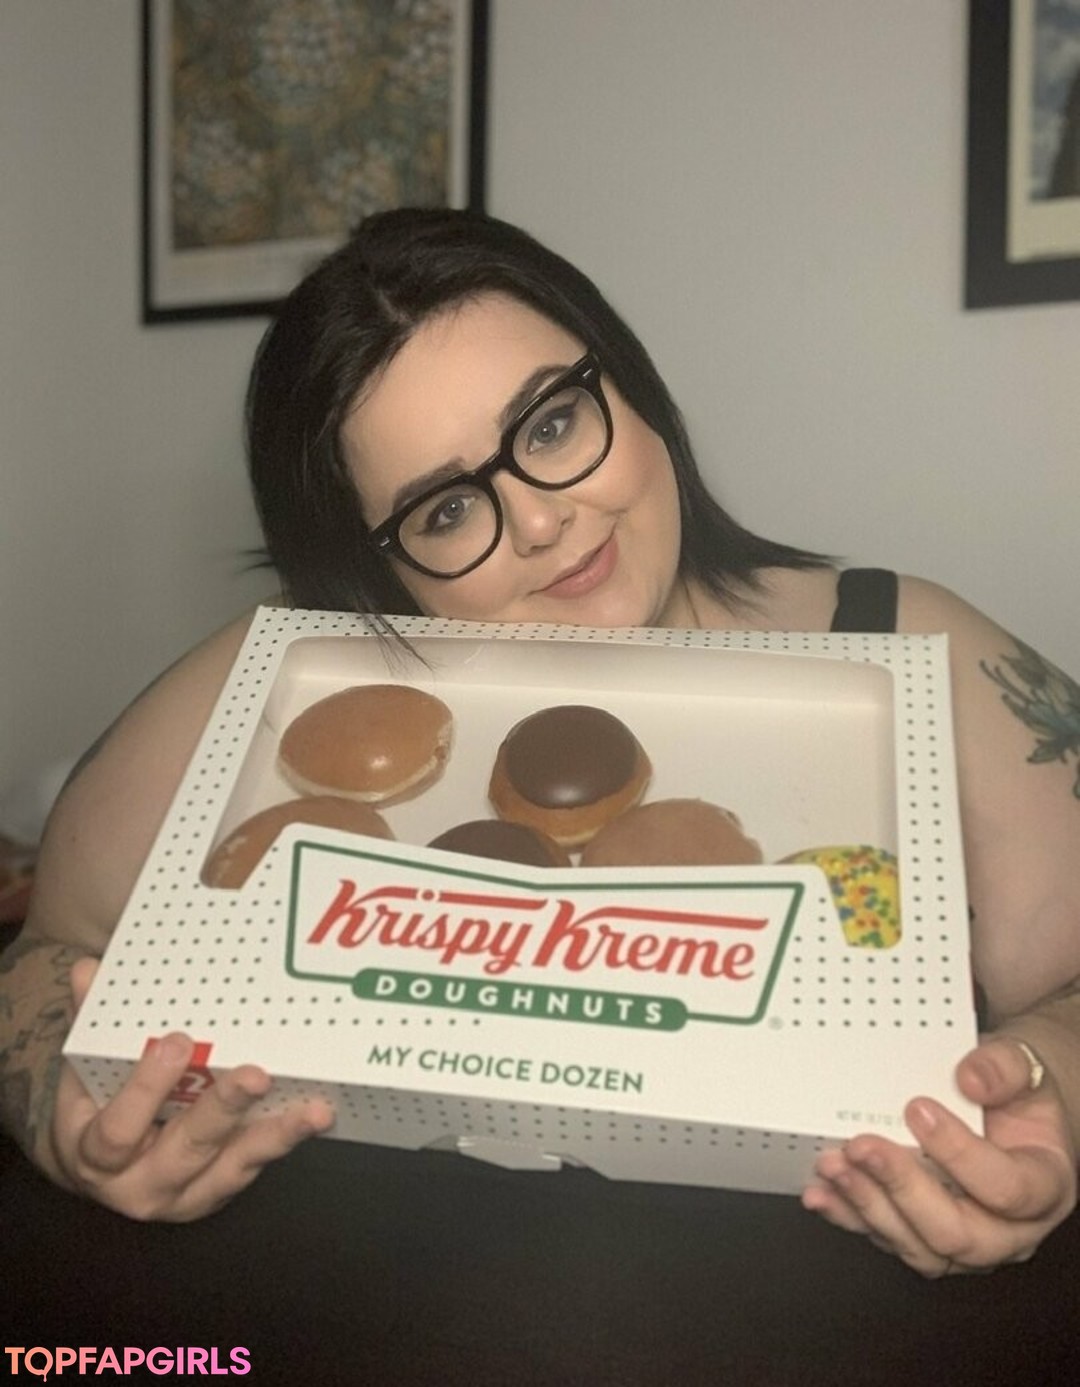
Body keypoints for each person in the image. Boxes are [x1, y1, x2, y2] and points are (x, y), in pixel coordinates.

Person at [1, 209, 1078, 1366]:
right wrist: (64, 1110)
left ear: (632, 384)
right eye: (446, 509)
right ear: (375, 566)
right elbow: (44, 952)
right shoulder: (291, 685)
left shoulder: (907, 648)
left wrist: (1054, 1085)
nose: (539, 519)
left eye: (552, 424)